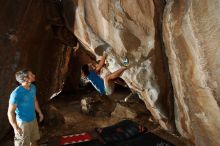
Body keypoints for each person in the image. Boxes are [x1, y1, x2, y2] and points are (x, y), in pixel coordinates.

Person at [7, 69, 44, 146]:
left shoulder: (33, 87)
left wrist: (40, 113)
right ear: (26, 79)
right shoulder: (16, 93)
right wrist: (15, 127)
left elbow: (35, 101)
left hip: (33, 119)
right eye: (31, 74)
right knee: (23, 144)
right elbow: (10, 112)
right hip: (23, 123)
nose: (34, 75)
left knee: (34, 141)